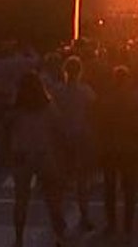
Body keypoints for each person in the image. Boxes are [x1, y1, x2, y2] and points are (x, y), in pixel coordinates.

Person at [3, 71, 68, 247]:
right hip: (43, 154)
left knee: (21, 200)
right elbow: (59, 130)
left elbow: (5, 130)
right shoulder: (48, 106)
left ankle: (18, 238)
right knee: (52, 199)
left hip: (21, 155)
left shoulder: (16, 108)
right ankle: (60, 237)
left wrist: (7, 152)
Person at [95, 65, 138, 237]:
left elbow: (100, 124)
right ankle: (128, 224)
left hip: (111, 147)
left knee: (110, 188)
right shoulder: (133, 100)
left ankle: (112, 223)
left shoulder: (107, 100)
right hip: (129, 148)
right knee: (129, 189)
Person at [56, 55, 98, 231]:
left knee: (62, 179)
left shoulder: (57, 90)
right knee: (82, 180)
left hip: (63, 136)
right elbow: (93, 112)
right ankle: (84, 215)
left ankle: (59, 217)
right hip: (81, 134)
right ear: (80, 71)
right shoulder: (86, 91)